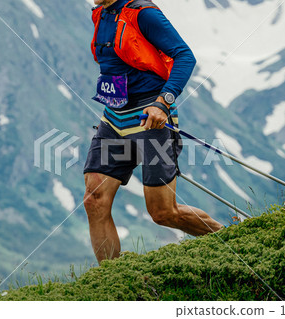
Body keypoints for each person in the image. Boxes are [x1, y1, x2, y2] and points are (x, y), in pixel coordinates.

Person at [84, 0, 223, 264]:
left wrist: (163, 103)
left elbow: (185, 56)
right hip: (114, 118)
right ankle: (112, 279)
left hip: (152, 117)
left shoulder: (144, 13)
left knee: (163, 213)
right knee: (94, 199)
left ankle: (227, 239)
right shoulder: (100, 14)